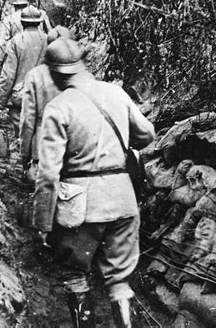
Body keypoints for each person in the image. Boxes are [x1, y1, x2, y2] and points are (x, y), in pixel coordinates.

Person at [32, 38, 155, 327]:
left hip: (79, 207)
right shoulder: (116, 93)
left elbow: (48, 173)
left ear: (56, 74)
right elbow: (146, 134)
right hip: (123, 200)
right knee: (119, 281)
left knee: (75, 277)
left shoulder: (58, 107)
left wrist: (41, 223)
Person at [19, 26, 74, 182]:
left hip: (43, 146)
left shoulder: (36, 75)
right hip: (73, 148)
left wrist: (25, 154)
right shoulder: (80, 75)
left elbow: (27, 120)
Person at [0, 6, 47, 136]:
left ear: (22, 23)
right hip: (43, 95)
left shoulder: (15, 42)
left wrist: (0, 103)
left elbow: (8, 75)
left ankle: (22, 149)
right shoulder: (48, 40)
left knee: (22, 133)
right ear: (39, 22)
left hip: (21, 97)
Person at [0, 0, 29, 67]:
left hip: (16, 53)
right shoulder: (33, 17)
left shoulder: (10, 19)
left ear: (14, 6)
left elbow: (3, 41)